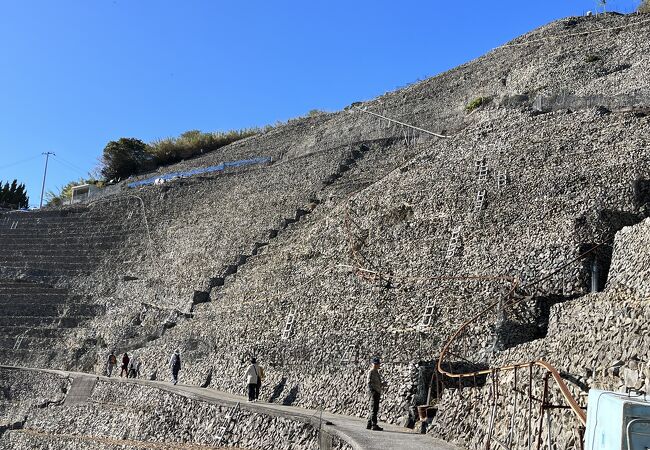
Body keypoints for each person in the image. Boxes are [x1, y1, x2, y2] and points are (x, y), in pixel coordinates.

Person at [366, 356, 386, 431]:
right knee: (374, 408)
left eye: (377, 364)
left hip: (377, 391)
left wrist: (382, 384)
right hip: (374, 392)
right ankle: (374, 425)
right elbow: (369, 382)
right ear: (373, 364)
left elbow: (377, 382)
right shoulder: (371, 372)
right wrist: (372, 391)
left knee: (373, 408)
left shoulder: (376, 372)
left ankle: (369, 424)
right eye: (375, 364)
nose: (377, 365)